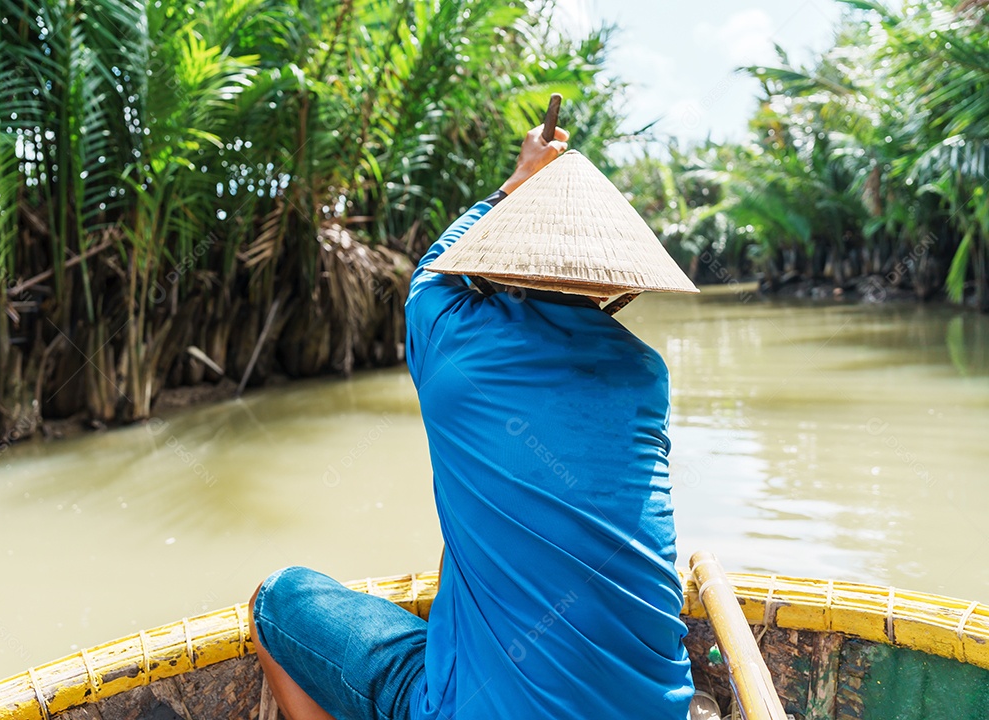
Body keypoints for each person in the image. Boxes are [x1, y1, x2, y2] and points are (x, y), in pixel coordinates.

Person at [248, 124, 694, 719]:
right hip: (656, 708)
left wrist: (515, 181)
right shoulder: (645, 375)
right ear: (612, 279)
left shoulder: (459, 345)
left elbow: (430, 275)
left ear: (504, 260)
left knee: (275, 598)